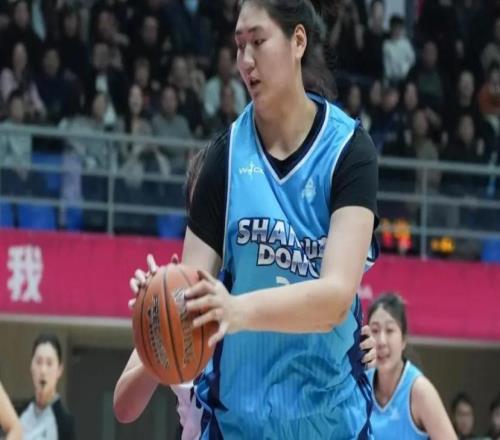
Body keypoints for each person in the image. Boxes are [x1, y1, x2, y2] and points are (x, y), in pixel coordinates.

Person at [116, 0, 380, 438]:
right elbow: (192, 301)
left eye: (258, 41)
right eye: (239, 46)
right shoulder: (223, 160)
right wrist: (163, 313)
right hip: (240, 424)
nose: (246, 60)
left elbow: (335, 299)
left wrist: (235, 310)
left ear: (298, 41)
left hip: (333, 423)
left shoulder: (349, 152)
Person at [367, 293, 456, 439]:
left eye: (389, 330)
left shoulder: (420, 391)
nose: (381, 341)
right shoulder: (360, 386)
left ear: (403, 340)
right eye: (375, 331)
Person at [20, 333, 75, 440]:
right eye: (38, 362)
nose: (43, 370)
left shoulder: (65, 422)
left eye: (49, 363)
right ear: (31, 366)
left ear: (59, 370)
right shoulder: (20, 413)